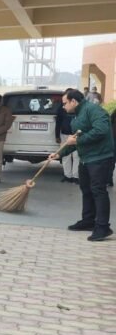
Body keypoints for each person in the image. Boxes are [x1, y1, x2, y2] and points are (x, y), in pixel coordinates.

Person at [49, 89, 114, 241]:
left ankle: (103, 227)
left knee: (98, 191)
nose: (63, 107)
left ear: (73, 101)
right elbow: (74, 141)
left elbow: (102, 130)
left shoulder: (94, 110)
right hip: (86, 159)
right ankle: (88, 221)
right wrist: (60, 153)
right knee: (86, 189)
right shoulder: (76, 116)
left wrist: (77, 140)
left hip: (100, 158)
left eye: (64, 103)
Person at [56, 103, 79, 184]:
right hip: (64, 134)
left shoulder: (79, 108)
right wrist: (57, 135)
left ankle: (76, 177)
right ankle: (67, 176)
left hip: (76, 134)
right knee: (65, 156)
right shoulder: (62, 107)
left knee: (77, 156)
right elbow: (58, 121)